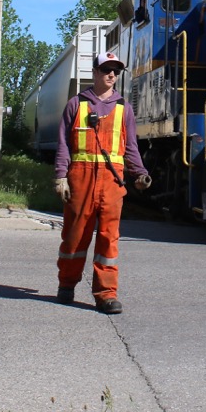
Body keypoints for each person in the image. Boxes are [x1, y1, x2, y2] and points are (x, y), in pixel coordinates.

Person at [53, 51, 151, 314]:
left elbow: (131, 147)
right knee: (75, 236)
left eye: (115, 71)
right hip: (81, 178)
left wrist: (139, 173)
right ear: (94, 72)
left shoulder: (124, 109)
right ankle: (66, 285)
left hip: (111, 180)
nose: (111, 75)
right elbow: (63, 144)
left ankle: (106, 294)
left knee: (109, 239)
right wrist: (61, 176)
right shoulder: (76, 104)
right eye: (106, 69)